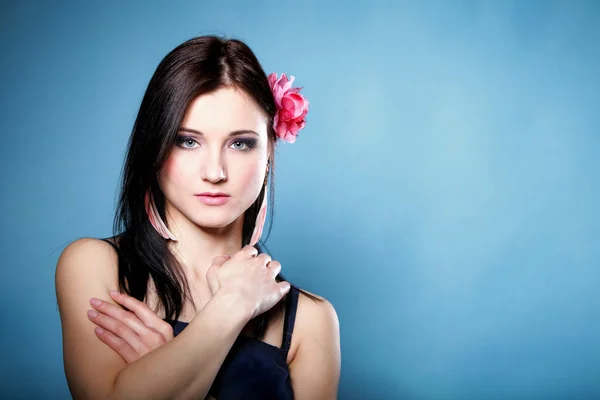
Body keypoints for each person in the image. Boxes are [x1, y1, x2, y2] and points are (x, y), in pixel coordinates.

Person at [55, 35, 341, 400]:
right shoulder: (94, 267)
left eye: (240, 143)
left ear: (268, 151)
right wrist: (233, 303)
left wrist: (166, 367)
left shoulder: (311, 321)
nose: (215, 171)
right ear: (154, 145)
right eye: (187, 141)